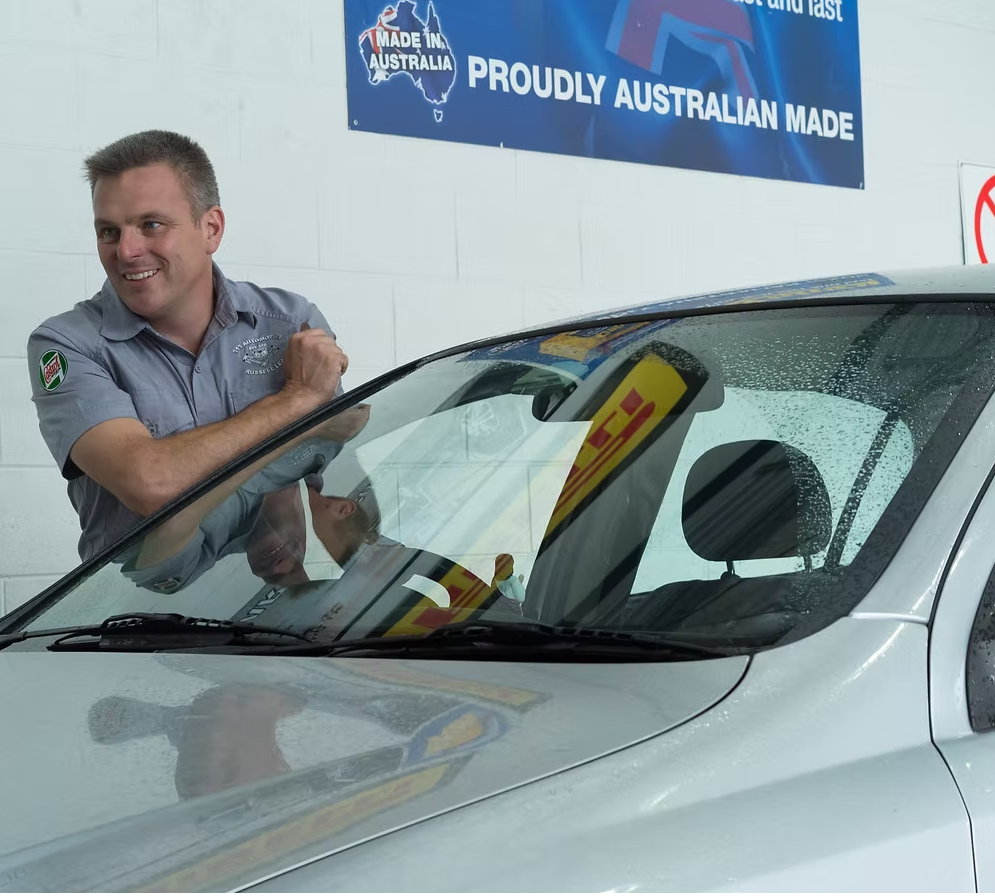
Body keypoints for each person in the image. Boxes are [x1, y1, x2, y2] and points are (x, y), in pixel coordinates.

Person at [27, 129, 350, 562]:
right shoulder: (67, 345)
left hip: (279, 608)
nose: (125, 251)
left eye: (151, 225)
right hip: (144, 622)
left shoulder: (290, 324)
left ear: (211, 228)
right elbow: (151, 485)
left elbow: (340, 461)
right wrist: (295, 401)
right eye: (108, 231)